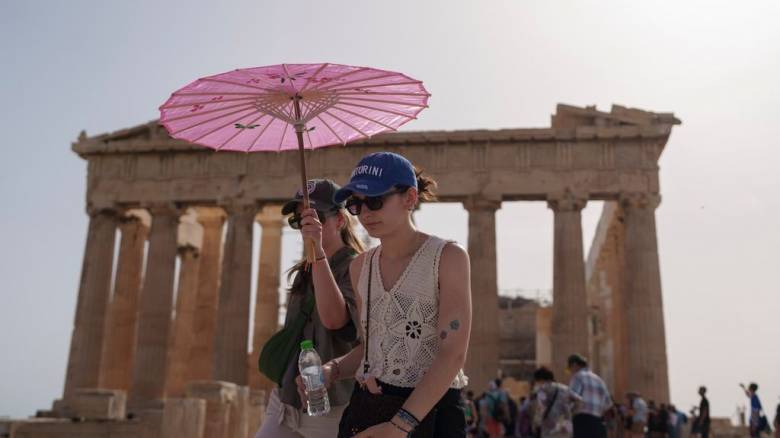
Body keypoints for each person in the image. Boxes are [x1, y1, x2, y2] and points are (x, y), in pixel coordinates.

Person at [299, 152, 472, 437]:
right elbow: (376, 346)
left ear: (409, 198)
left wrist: (399, 426)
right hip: (370, 408)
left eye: (376, 200)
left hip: (430, 413)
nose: (366, 213)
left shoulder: (448, 258)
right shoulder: (360, 267)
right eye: (356, 204)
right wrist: (333, 369)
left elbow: (452, 353)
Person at [254, 179, 364, 438]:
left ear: (339, 220)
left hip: (332, 405)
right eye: (299, 220)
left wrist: (318, 254)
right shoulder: (302, 272)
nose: (305, 227)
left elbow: (336, 321)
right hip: (286, 401)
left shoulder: (356, 267)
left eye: (316, 218)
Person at [567, 354, 612, 438]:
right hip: (598, 423)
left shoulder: (578, 376)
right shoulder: (599, 380)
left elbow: (572, 397)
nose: (570, 372)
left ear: (574, 365)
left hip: (582, 421)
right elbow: (608, 404)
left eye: (569, 369)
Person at [532, 367, 582, 438]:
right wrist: (571, 412)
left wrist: (536, 423)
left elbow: (541, 408)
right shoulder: (565, 388)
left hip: (550, 427)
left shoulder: (542, 389)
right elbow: (579, 400)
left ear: (540, 379)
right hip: (566, 426)